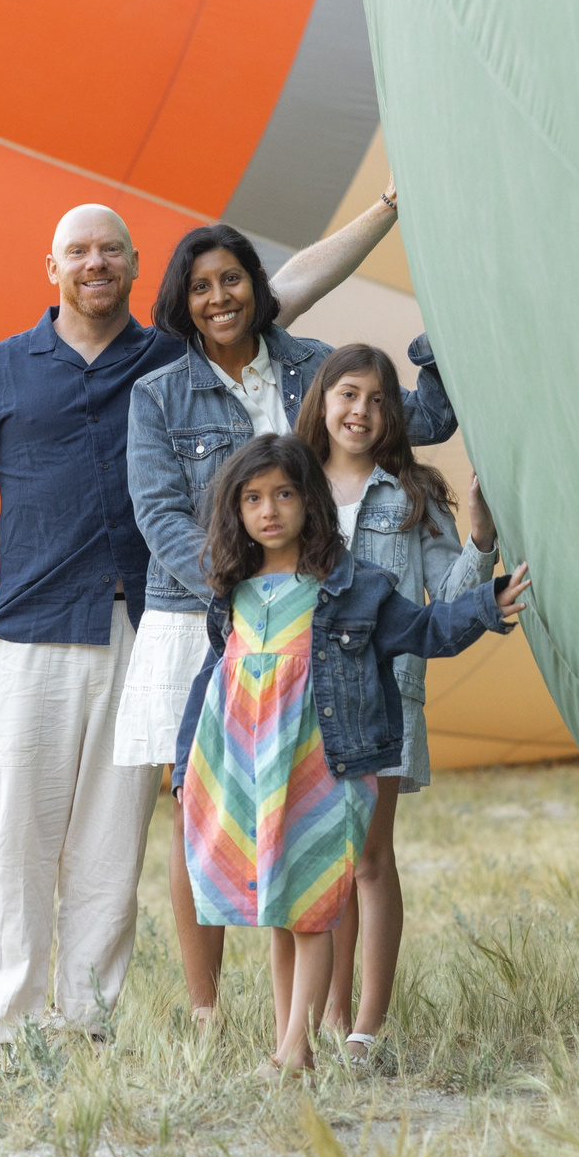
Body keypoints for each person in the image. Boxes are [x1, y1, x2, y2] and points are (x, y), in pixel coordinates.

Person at [0, 197, 400, 1049]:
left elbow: (282, 290)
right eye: (78, 252)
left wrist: (387, 211)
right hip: (31, 628)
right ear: (50, 268)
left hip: (141, 628)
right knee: (16, 838)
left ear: (136, 268)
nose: (95, 264)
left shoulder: (172, 357)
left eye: (112, 251)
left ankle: (90, 1021)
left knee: (110, 848)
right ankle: (7, 1024)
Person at [119, 220, 458, 1024]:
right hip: (207, 615)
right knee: (200, 807)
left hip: (318, 620)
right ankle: (207, 1009)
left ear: (258, 286)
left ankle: (322, 1019)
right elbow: (160, 513)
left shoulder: (311, 364)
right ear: (182, 301)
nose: (218, 297)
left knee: (308, 810)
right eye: (200, 286)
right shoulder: (158, 394)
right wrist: (237, 583)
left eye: (232, 279)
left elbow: (416, 422)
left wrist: (442, 331)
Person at [170, 434, 529, 1074]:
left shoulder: (351, 589)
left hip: (324, 769)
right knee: (281, 915)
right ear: (236, 511)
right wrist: (184, 767)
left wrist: (485, 605)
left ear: (310, 501)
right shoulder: (233, 593)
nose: (269, 509)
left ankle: (293, 1051)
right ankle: (292, 1043)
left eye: (284, 493)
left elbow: (421, 631)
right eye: (253, 498)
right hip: (254, 773)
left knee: (310, 911)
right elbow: (211, 680)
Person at [295, 344, 502, 1065]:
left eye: (380, 399)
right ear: (321, 402)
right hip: (301, 695)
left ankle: (364, 1030)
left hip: (384, 695)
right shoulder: (291, 488)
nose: (362, 411)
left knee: (369, 859)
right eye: (348, 394)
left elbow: (447, 595)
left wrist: (480, 535)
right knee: (319, 859)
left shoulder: (412, 495)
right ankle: (323, 1013)